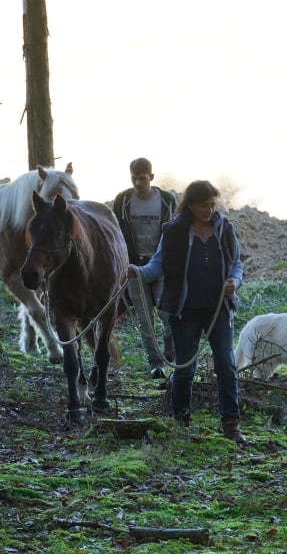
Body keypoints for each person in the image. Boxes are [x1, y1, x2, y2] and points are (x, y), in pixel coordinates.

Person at [128, 180, 247, 444]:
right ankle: (180, 419)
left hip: (219, 310)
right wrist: (138, 273)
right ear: (191, 205)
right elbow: (157, 264)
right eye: (204, 205)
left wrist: (234, 282)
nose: (209, 210)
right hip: (185, 310)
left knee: (226, 365)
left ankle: (231, 423)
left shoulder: (224, 228)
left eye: (212, 204)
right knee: (185, 368)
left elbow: (236, 264)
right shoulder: (173, 231)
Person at [112, 158, 178, 379]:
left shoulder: (167, 200)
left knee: (167, 311)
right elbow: (117, 235)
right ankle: (155, 363)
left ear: (151, 177)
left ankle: (172, 354)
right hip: (134, 267)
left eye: (142, 178)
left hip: (161, 264)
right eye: (134, 178)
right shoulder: (122, 201)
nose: (138, 183)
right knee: (144, 317)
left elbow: (174, 231)